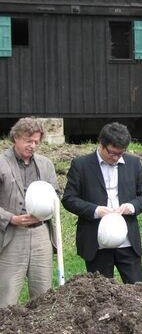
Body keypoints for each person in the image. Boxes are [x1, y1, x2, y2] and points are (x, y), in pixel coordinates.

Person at [62, 122, 142, 284]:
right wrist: (96, 210)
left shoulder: (133, 163)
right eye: (112, 153)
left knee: (136, 291)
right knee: (101, 293)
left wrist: (131, 207)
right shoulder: (81, 165)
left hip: (127, 241)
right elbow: (69, 199)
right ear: (101, 144)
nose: (116, 157)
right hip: (96, 242)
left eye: (120, 154)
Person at [0, 118, 59, 308]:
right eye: (28, 141)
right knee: (7, 294)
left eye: (36, 142)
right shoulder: (1, 163)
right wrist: (12, 218)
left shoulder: (46, 164)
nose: (33, 146)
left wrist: (47, 209)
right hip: (11, 234)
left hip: (41, 232)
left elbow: (55, 193)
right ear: (16, 137)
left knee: (43, 294)